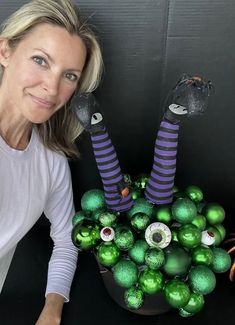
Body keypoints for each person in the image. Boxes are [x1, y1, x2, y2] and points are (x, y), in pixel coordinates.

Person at [0, 0, 103, 323]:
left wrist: (52, 309)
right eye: (40, 60)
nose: (52, 87)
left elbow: (66, 239)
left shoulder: (50, 158)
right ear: (4, 52)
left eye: (69, 75)